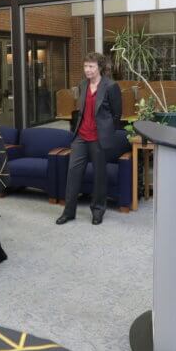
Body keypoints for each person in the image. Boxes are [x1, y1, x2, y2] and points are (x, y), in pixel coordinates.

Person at [55, 52, 122, 226]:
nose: (88, 70)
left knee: (100, 176)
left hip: (99, 138)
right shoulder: (83, 84)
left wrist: (106, 131)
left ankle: (98, 211)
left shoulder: (110, 86)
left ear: (99, 67)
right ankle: (69, 212)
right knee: (73, 174)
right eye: (85, 66)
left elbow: (117, 114)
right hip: (81, 137)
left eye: (91, 66)